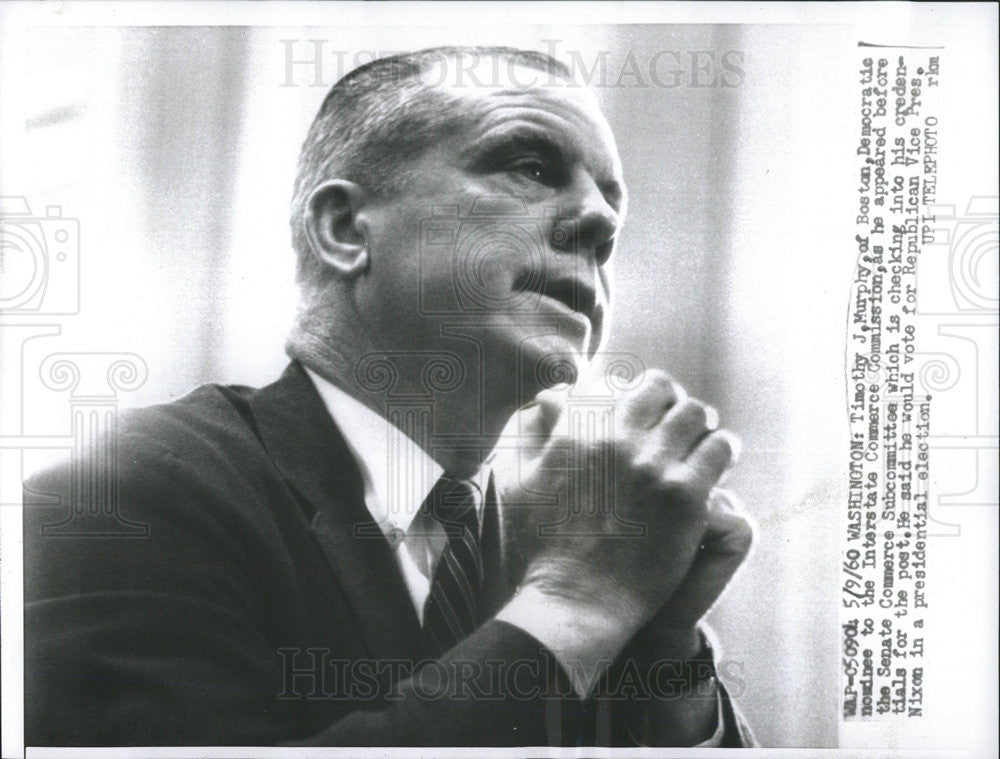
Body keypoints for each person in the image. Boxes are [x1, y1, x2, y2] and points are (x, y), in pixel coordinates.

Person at [23, 46, 755, 747]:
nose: (599, 221)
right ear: (345, 230)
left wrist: (664, 654)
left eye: (610, 206)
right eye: (531, 166)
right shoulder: (121, 495)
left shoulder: (585, 541)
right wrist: (577, 601)